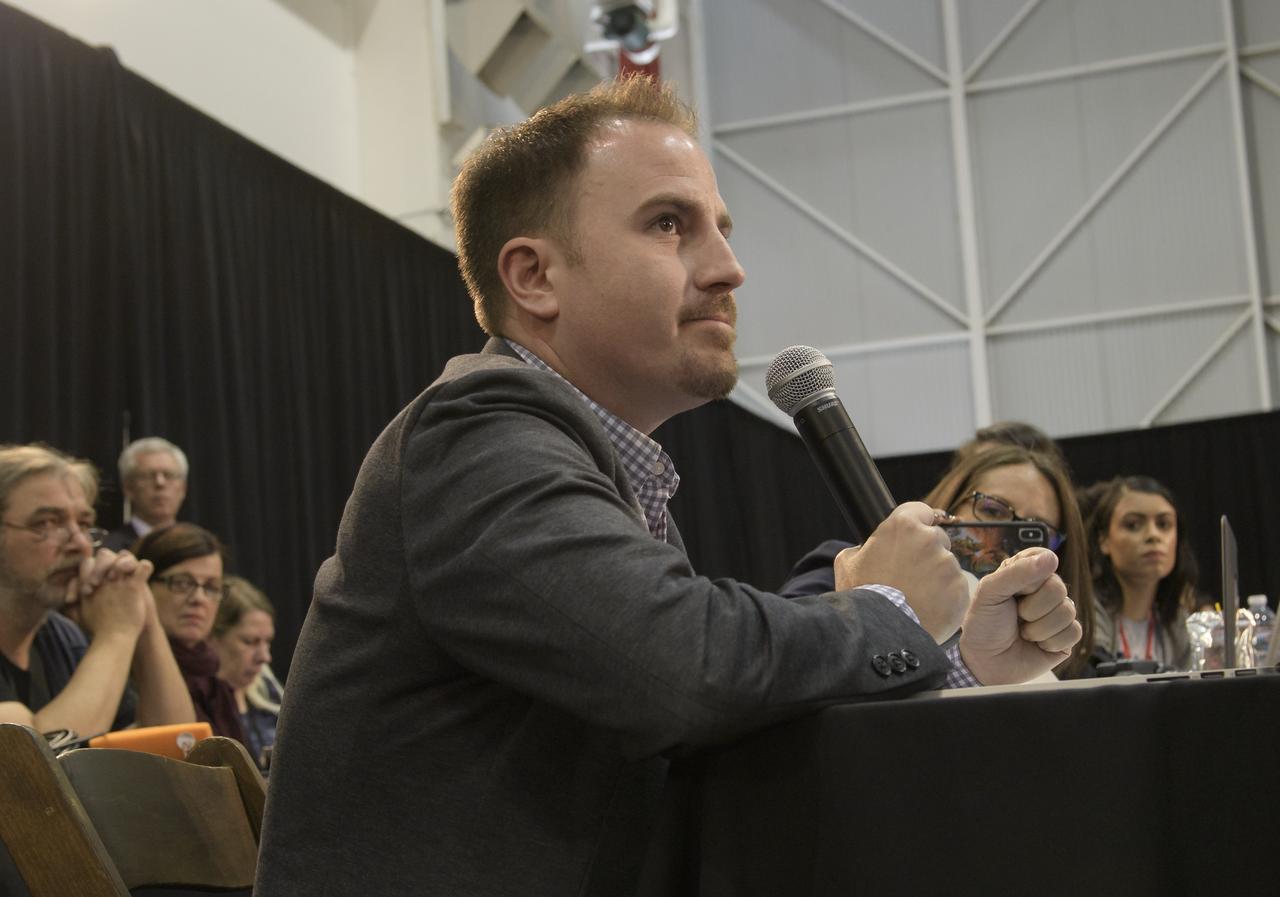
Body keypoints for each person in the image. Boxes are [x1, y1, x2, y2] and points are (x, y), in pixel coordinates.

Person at [255, 78, 1079, 896]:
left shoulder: (601, 466)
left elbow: (700, 730)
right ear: (534, 276)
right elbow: (685, 667)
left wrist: (954, 652)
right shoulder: (477, 431)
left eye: (720, 229)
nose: (729, 268)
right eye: (669, 225)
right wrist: (888, 610)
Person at [782, 444, 1095, 677]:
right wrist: (878, 602)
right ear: (948, 504)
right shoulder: (842, 565)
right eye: (993, 510)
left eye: (1035, 531)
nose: (1002, 541)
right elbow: (787, 658)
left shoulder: (1052, 642)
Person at [0, 444, 194, 736]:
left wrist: (143, 616)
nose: (80, 544)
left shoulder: (64, 639)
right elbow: (32, 763)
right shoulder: (95, 639)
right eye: (47, 523)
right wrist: (117, 633)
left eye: (84, 523)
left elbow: (180, 744)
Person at [133, 523, 246, 742]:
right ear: (145, 585)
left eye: (211, 587)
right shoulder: (131, 673)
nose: (199, 599)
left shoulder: (215, 682)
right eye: (183, 583)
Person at [1085, 475, 1196, 671]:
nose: (1153, 535)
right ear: (1104, 541)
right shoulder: (1084, 614)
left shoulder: (1177, 621)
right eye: (1133, 525)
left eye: (1163, 525)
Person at [212, 575, 280, 772]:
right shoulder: (197, 702)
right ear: (212, 637)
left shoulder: (268, 688)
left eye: (267, 642)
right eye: (250, 641)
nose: (265, 657)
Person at [102, 437, 189, 551]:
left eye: (168, 475)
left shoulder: (200, 548)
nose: (160, 483)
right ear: (128, 488)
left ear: (183, 488)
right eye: (148, 475)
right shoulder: (110, 550)